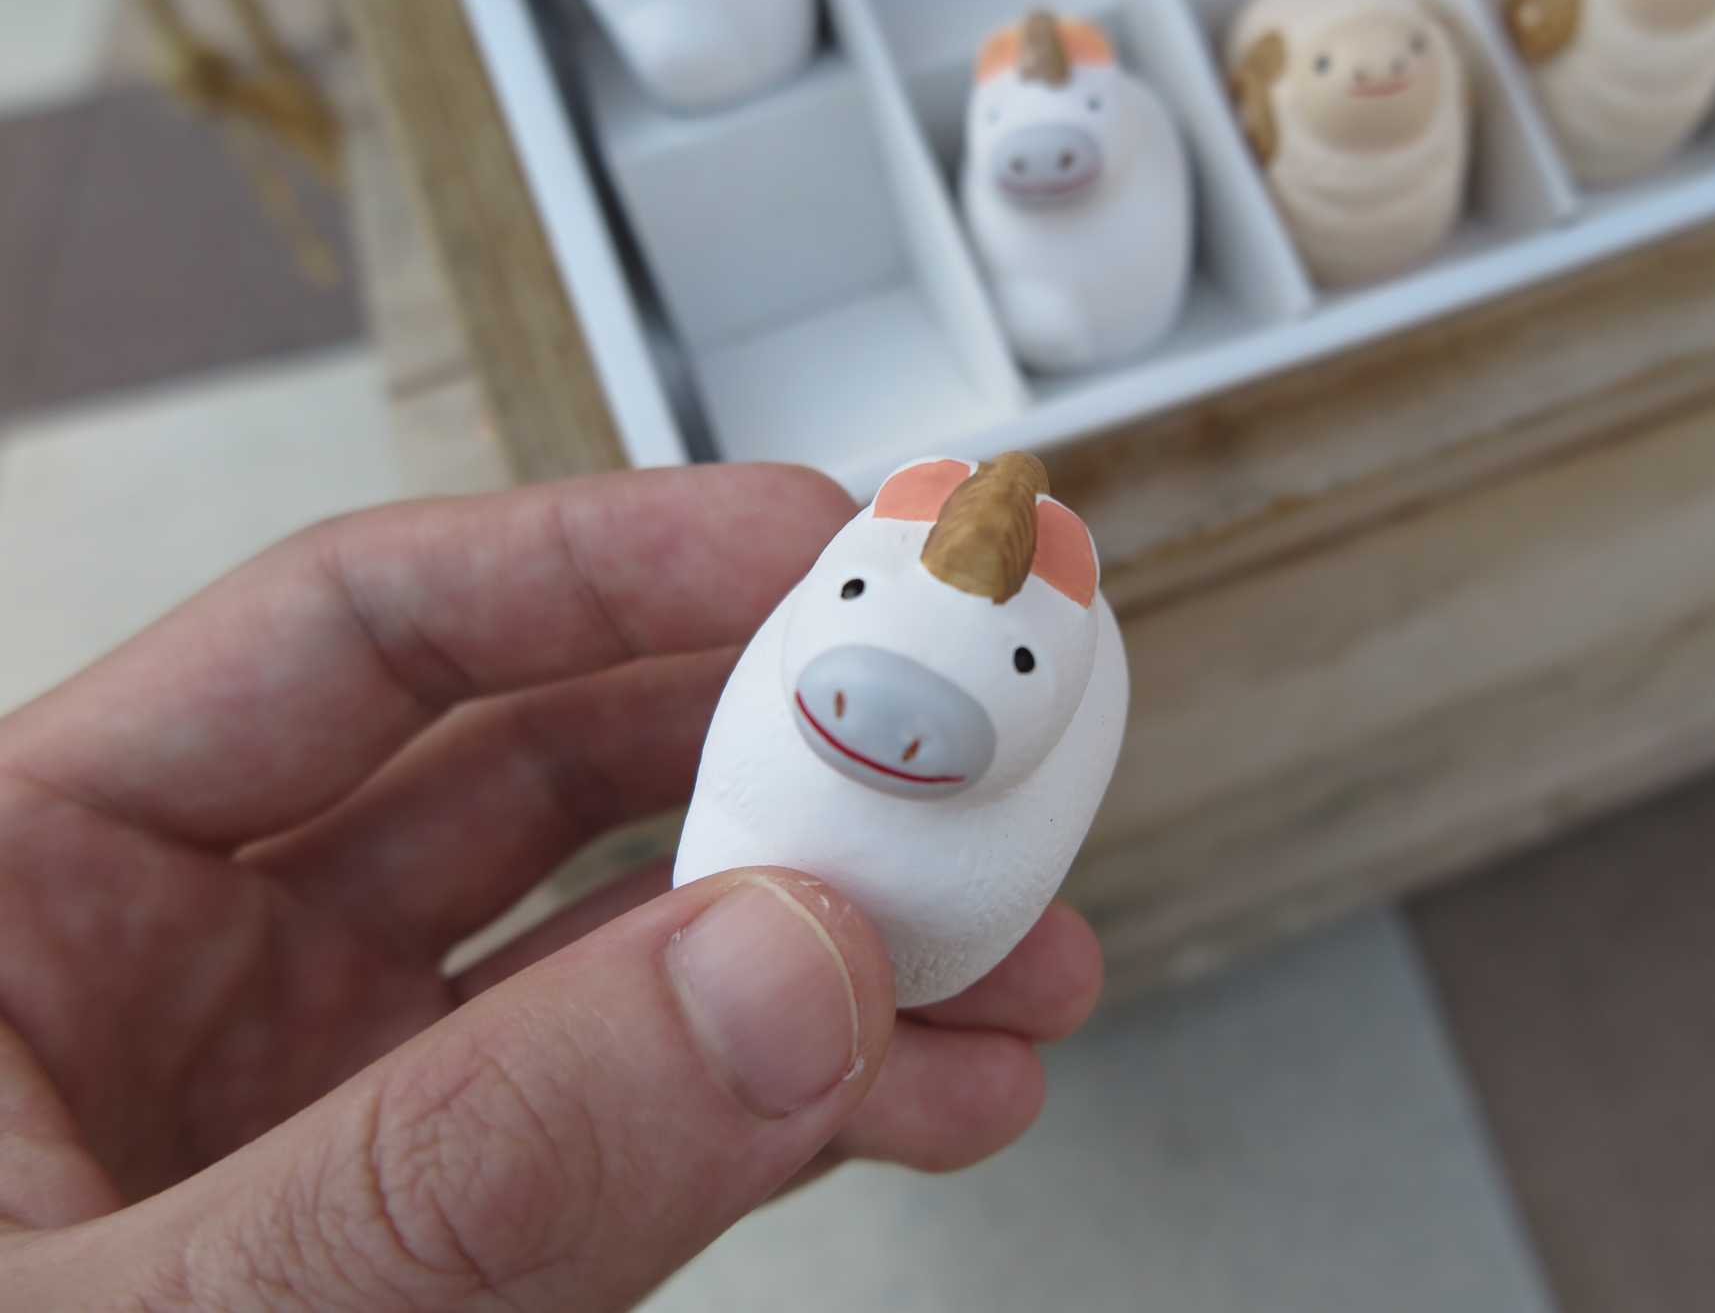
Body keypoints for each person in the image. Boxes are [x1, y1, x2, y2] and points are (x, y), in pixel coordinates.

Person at [0, 465, 1103, 1310]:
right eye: (853, 590)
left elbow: (982, 887)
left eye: (1019, 663)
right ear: (843, 578)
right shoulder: (790, 688)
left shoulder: (1076, 693)